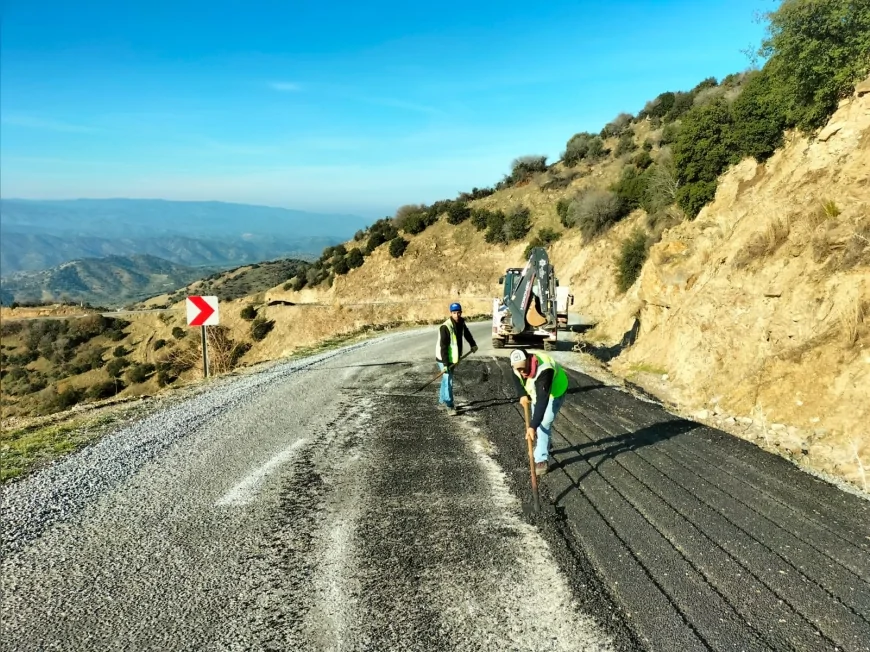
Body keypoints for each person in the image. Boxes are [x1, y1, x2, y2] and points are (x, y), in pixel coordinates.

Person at [509, 348, 568, 476]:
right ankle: (544, 443)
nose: (522, 372)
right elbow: (515, 375)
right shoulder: (517, 366)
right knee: (539, 426)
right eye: (518, 369)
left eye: (524, 368)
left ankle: (541, 459)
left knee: (543, 423)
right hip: (536, 392)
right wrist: (522, 394)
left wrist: (532, 426)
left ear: (530, 360)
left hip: (555, 392)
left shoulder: (545, 369)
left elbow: (543, 400)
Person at [435, 302, 478, 414]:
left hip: (454, 357)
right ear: (451, 313)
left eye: (458, 312)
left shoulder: (461, 323)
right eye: (454, 313)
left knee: (446, 380)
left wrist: (473, 344)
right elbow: (443, 347)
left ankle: (441, 402)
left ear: (461, 312)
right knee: (448, 381)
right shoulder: (445, 327)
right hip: (444, 358)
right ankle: (449, 406)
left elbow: (467, 334)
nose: (456, 315)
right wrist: (445, 365)